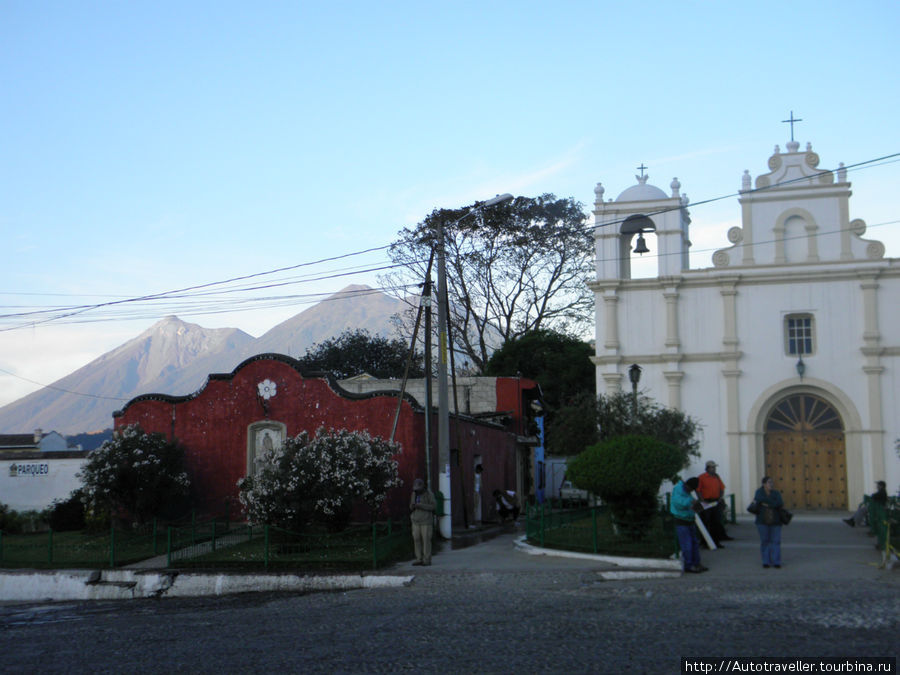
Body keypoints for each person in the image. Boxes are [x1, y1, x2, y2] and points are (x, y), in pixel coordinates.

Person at [670, 477, 707, 574]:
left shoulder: (686, 491)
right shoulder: (678, 490)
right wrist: (691, 502)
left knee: (694, 543)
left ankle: (696, 563)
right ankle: (688, 565)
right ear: (687, 486)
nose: (690, 491)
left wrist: (698, 503)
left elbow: (689, 500)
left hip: (689, 519)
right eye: (690, 489)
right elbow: (678, 503)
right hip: (681, 520)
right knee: (687, 544)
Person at [697, 460, 733, 546]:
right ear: (708, 468)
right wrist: (702, 501)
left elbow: (722, 488)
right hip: (706, 501)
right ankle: (704, 541)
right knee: (706, 521)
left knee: (716, 522)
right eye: (712, 467)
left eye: (714, 467)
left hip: (715, 501)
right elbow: (698, 490)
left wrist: (720, 498)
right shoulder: (701, 477)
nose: (714, 469)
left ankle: (716, 542)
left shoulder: (716, 477)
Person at [751, 476, 784, 569]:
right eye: (769, 482)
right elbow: (759, 499)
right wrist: (771, 503)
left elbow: (779, 503)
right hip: (762, 520)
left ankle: (776, 561)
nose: (771, 484)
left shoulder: (776, 493)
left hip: (776, 520)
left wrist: (767, 503)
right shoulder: (759, 492)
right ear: (764, 484)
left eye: (772, 482)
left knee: (776, 541)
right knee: (765, 541)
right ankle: (766, 561)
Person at [409, 478, 436, 566]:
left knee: (426, 540)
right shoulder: (414, 494)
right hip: (415, 520)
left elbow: (433, 506)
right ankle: (418, 558)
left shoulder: (429, 494)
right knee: (416, 539)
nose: (417, 491)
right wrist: (412, 506)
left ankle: (427, 559)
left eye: (418, 489)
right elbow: (410, 506)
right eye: (415, 489)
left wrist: (421, 505)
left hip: (426, 521)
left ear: (422, 487)